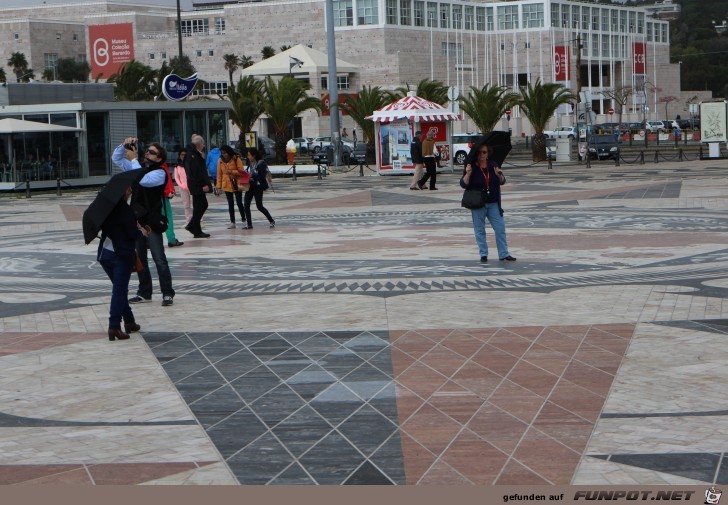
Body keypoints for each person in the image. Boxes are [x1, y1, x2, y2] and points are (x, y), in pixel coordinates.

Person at [112, 138, 177, 306]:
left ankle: (167, 293)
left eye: (152, 152)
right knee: (140, 259)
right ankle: (144, 292)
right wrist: (124, 146)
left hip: (151, 222)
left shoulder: (160, 173)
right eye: (147, 150)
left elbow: (143, 180)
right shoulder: (138, 168)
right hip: (136, 221)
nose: (147, 153)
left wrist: (133, 159)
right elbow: (116, 159)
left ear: (159, 159)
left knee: (159, 258)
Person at [97, 185, 150, 340]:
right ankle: (114, 326)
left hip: (105, 255)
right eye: (127, 189)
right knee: (119, 291)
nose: (131, 191)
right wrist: (142, 232)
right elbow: (131, 234)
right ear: (121, 193)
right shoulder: (125, 210)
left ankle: (129, 321)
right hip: (121, 256)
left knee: (120, 289)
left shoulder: (106, 210)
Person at [460, 144, 516, 263]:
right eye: (479, 152)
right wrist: (468, 173)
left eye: (484, 152)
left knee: (500, 228)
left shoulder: (493, 165)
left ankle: (504, 254)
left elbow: (502, 181)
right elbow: (463, 184)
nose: (482, 155)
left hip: (493, 203)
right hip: (478, 203)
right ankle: (483, 254)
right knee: (480, 230)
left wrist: (499, 174)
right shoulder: (472, 166)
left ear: (488, 153)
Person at [185, 134, 212, 239]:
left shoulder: (193, 154)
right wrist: (203, 184)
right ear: (200, 144)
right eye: (203, 144)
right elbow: (197, 171)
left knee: (201, 205)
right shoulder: (193, 155)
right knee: (201, 205)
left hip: (195, 184)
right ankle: (195, 228)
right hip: (197, 185)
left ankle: (193, 226)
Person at [243, 147, 275, 229]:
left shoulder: (261, 163)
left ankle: (271, 220)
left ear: (254, 156)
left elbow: (261, 176)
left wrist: (252, 177)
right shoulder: (251, 164)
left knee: (259, 206)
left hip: (258, 187)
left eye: (249, 155)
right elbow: (248, 172)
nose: (248, 157)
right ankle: (249, 224)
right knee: (246, 205)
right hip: (250, 186)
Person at [216, 145, 247, 229]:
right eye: (222, 153)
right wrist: (218, 186)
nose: (224, 155)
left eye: (225, 153)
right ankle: (232, 222)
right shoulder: (220, 161)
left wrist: (232, 172)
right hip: (226, 184)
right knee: (230, 204)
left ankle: (244, 220)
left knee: (239, 202)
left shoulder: (236, 158)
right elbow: (219, 174)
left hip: (236, 184)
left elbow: (241, 171)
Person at [163, 167, 184, 248]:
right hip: (162, 196)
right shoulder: (162, 167)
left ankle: (147, 240)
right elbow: (166, 181)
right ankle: (171, 239)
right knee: (168, 217)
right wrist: (169, 191)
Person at [173, 148, 192, 226]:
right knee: (186, 205)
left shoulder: (191, 164)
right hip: (183, 188)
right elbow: (176, 177)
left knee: (196, 204)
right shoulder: (177, 166)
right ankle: (188, 221)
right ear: (179, 155)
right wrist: (181, 185)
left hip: (192, 186)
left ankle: (200, 221)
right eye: (182, 155)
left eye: (185, 155)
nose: (183, 156)